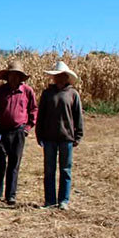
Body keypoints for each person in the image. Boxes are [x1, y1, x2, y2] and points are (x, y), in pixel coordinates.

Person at [36, 61, 84, 210]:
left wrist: (78, 135)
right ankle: (50, 201)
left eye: (62, 76)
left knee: (65, 170)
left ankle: (64, 200)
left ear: (67, 77)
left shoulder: (73, 94)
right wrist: (39, 134)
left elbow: (78, 117)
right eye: (56, 76)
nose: (59, 78)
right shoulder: (47, 93)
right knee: (49, 170)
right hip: (49, 138)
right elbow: (41, 116)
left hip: (66, 138)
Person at [0, 60, 38, 207]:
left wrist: (27, 128)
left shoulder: (27, 91)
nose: (14, 78)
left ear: (21, 77)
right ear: (7, 76)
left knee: (14, 164)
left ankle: (10, 195)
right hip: (1, 132)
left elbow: (34, 110)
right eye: (12, 75)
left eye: (17, 75)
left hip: (18, 132)